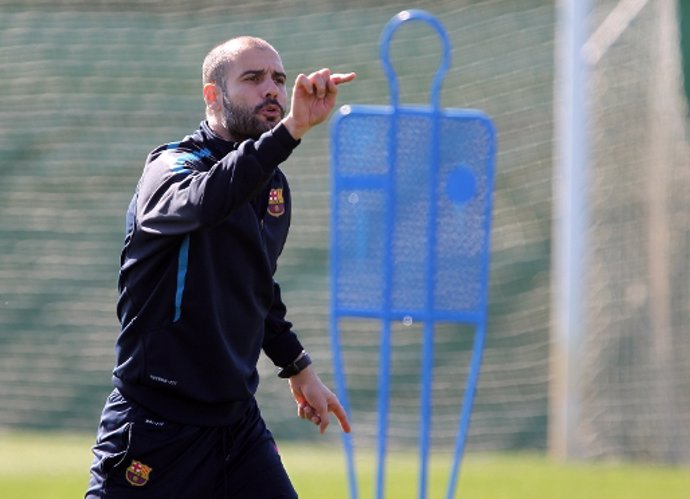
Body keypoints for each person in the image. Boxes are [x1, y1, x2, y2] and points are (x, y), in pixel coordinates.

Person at [86, 36, 356, 498]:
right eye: (252, 79)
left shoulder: (272, 186)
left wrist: (299, 369)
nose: (271, 90)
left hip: (236, 426)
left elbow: (255, 287)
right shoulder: (171, 167)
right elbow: (209, 199)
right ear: (213, 95)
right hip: (156, 424)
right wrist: (290, 129)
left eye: (278, 79)